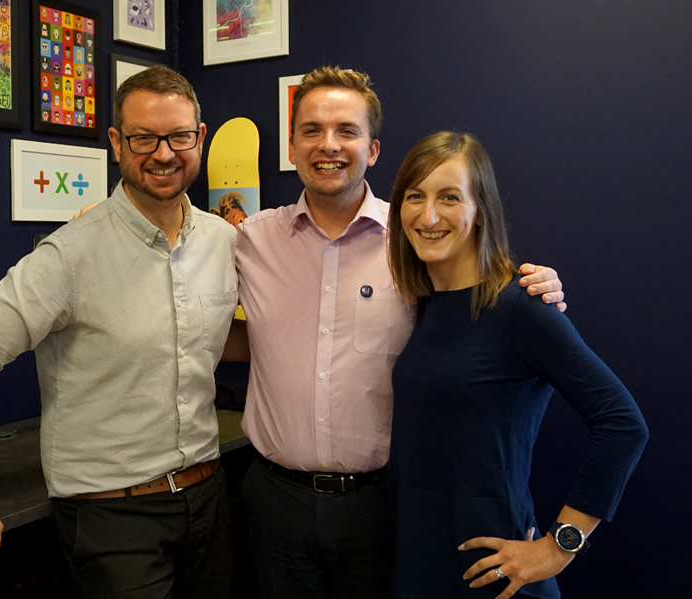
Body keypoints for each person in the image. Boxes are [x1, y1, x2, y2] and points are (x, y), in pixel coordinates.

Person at [227, 67, 566, 598]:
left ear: (373, 149)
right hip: (276, 502)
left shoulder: (416, 238)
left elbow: (481, 301)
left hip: (385, 504)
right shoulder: (250, 239)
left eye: (346, 130)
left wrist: (537, 285)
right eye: (311, 130)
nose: (328, 145)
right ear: (292, 147)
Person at [0, 66, 238, 598]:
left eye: (179, 136)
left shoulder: (222, 240)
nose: (164, 153)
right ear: (117, 143)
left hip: (208, 499)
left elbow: (203, 337)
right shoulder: (69, 254)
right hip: (114, 517)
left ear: (200, 138)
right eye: (144, 138)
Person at [386, 131, 648, 598]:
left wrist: (559, 546)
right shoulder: (424, 305)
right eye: (415, 196)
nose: (428, 216)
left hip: (493, 573)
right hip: (419, 559)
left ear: (481, 209)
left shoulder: (520, 306)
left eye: (450, 197)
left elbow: (623, 424)